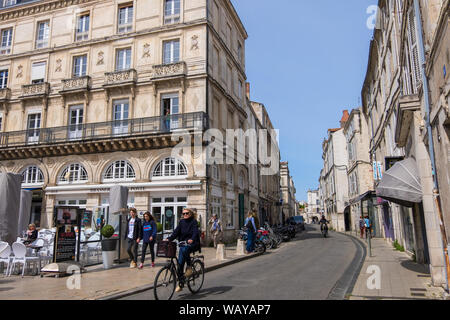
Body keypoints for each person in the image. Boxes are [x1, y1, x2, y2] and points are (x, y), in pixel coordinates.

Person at [166, 208, 200, 293]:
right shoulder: (181, 222)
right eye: (183, 213)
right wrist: (169, 239)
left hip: (192, 243)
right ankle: (181, 284)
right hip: (183, 243)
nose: (185, 215)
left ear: (190, 214)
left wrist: (192, 239)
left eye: (186, 213)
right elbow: (176, 232)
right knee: (180, 265)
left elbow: (195, 232)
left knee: (185, 250)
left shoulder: (193, 222)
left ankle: (189, 267)